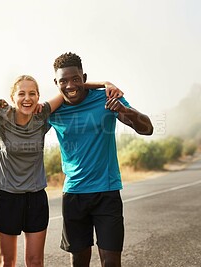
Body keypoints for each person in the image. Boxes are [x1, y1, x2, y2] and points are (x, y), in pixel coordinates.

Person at [0, 75, 123, 267]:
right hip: (6, 198)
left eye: (32, 94)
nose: (27, 98)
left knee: (35, 262)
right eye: (21, 94)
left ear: (38, 97)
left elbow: (69, 88)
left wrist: (104, 83)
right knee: (6, 262)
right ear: (12, 98)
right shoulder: (0, 112)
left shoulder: (42, 115)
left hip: (35, 199)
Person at [48, 52, 154, 267]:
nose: (70, 85)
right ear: (56, 83)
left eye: (76, 79)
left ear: (84, 78)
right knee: (79, 260)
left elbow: (148, 129)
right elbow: (24, 124)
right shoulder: (53, 110)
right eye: (63, 81)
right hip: (74, 194)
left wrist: (126, 111)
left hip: (106, 192)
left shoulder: (106, 98)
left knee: (111, 261)